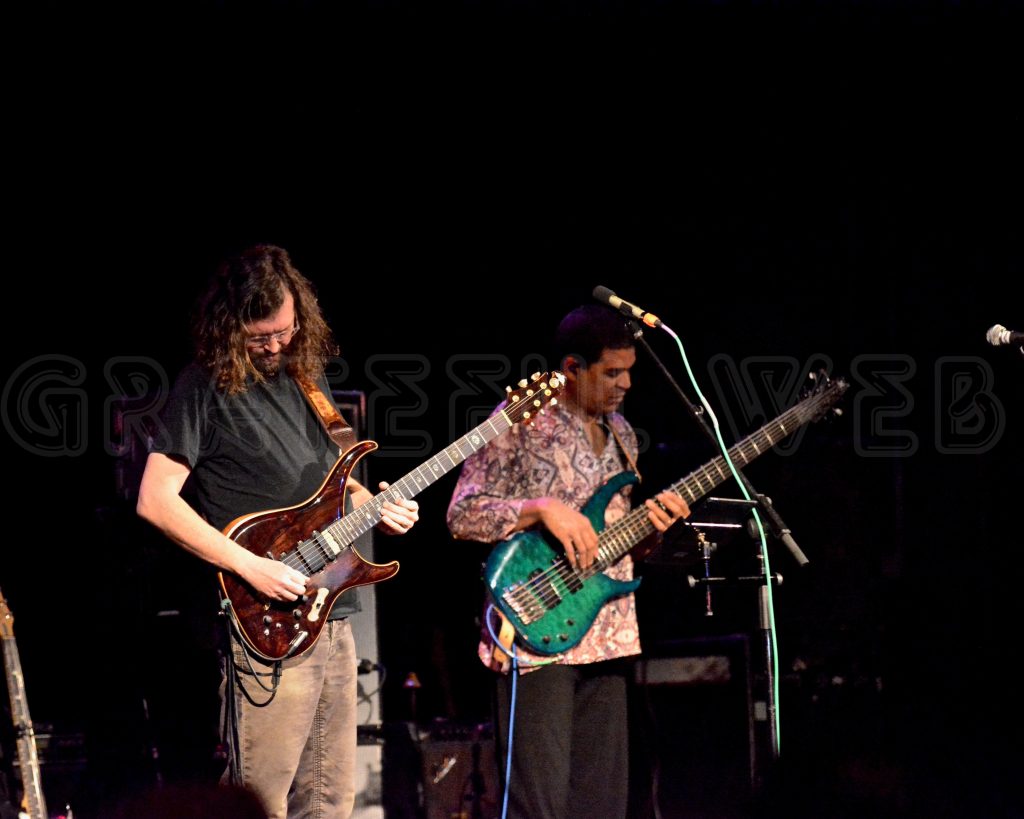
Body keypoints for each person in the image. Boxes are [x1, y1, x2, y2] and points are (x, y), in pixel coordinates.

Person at [136, 243, 419, 819]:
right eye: (258, 337)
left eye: (284, 332)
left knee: (331, 801)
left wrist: (378, 505)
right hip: (263, 623)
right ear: (228, 327)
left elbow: (337, 483)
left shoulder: (307, 380)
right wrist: (250, 565)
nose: (274, 346)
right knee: (261, 802)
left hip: (331, 613)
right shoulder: (202, 386)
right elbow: (155, 500)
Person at [446, 303, 690, 819]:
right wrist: (540, 509)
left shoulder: (624, 433)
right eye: (612, 372)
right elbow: (462, 515)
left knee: (602, 806)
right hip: (537, 633)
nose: (625, 384)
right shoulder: (518, 419)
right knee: (539, 805)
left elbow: (617, 545)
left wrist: (650, 534)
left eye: (629, 372)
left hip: (609, 635)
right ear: (573, 368)